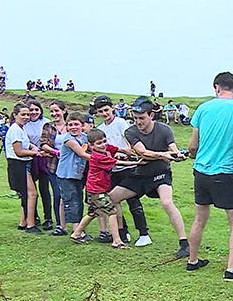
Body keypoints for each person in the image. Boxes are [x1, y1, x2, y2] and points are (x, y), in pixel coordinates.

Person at [187, 71, 233, 280]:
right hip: (224, 173)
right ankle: (231, 269)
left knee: (199, 218)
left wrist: (196, 154)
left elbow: (192, 146)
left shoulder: (203, 108)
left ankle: (192, 260)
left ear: (216, 87)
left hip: (201, 171)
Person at [109, 97, 189, 257]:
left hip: (160, 173)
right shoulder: (130, 132)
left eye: (142, 118)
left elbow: (173, 148)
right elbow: (143, 152)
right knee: (112, 198)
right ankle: (121, 233)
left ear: (151, 115)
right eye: (135, 118)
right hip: (140, 174)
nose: (138, 122)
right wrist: (163, 155)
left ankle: (184, 243)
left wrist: (177, 155)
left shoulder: (164, 129)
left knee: (167, 202)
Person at [94, 95, 152, 246]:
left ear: (112, 108)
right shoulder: (100, 129)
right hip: (113, 169)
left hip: (127, 167)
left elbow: (129, 141)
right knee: (114, 202)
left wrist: (126, 152)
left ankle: (143, 233)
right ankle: (122, 232)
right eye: (101, 111)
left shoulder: (121, 123)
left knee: (133, 200)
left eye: (106, 110)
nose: (104, 113)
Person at [69, 128, 129, 248]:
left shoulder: (105, 150)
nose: (103, 145)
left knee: (93, 212)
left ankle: (76, 234)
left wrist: (125, 151)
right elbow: (117, 163)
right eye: (99, 143)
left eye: (104, 141)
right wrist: (136, 163)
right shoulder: (98, 157)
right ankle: (117, 241)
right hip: (97, 190)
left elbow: (113, 148)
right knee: (112, 211)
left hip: (94, 189)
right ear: (91, 146)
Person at [5, 103, 43, 234]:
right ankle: (30, 225)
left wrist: (32, 146)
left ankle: (23, 222)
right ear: (15, 115)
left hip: (24, 164)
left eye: (28, 114)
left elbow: (24, 144)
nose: (26, 117)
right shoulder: (15, 129)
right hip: (19, 165)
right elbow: (19, 151)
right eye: (23, 114)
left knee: (26, 194)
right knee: (32, 194)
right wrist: (36, 153)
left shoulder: (20, 129)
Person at [56, 112, 91, 238]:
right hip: (66, 175)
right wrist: (101, 161)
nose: (73, 127)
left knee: (78, 200)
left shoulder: (84, 137)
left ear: (82, 125)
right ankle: (77, 231)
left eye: (76, 124)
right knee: (72, 201)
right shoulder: (69, 139)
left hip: (77, 174)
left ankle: (75, 228)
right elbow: (82, 154)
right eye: (70, 125)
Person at [24, 99, 54, 230]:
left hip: (43, 157)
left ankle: (48, 218)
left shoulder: (46, 122)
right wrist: (32, 147)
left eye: (36, 109)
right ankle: (33, 216)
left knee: (44, 189)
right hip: (29, 157)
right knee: (31, 190)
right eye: (31, 110)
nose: (34, 112)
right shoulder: (24, 124)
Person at [40, 100, 69, 236]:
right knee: (58, 194)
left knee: (71, 194)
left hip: (70, 165)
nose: (54, 114)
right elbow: (43, 144)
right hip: (54, 164)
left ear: (64, 111)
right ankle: (60, 224)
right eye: (51, 111)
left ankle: (75, 222)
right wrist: (55, 152)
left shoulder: (71, 124)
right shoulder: (48, 126)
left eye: (56, 110)